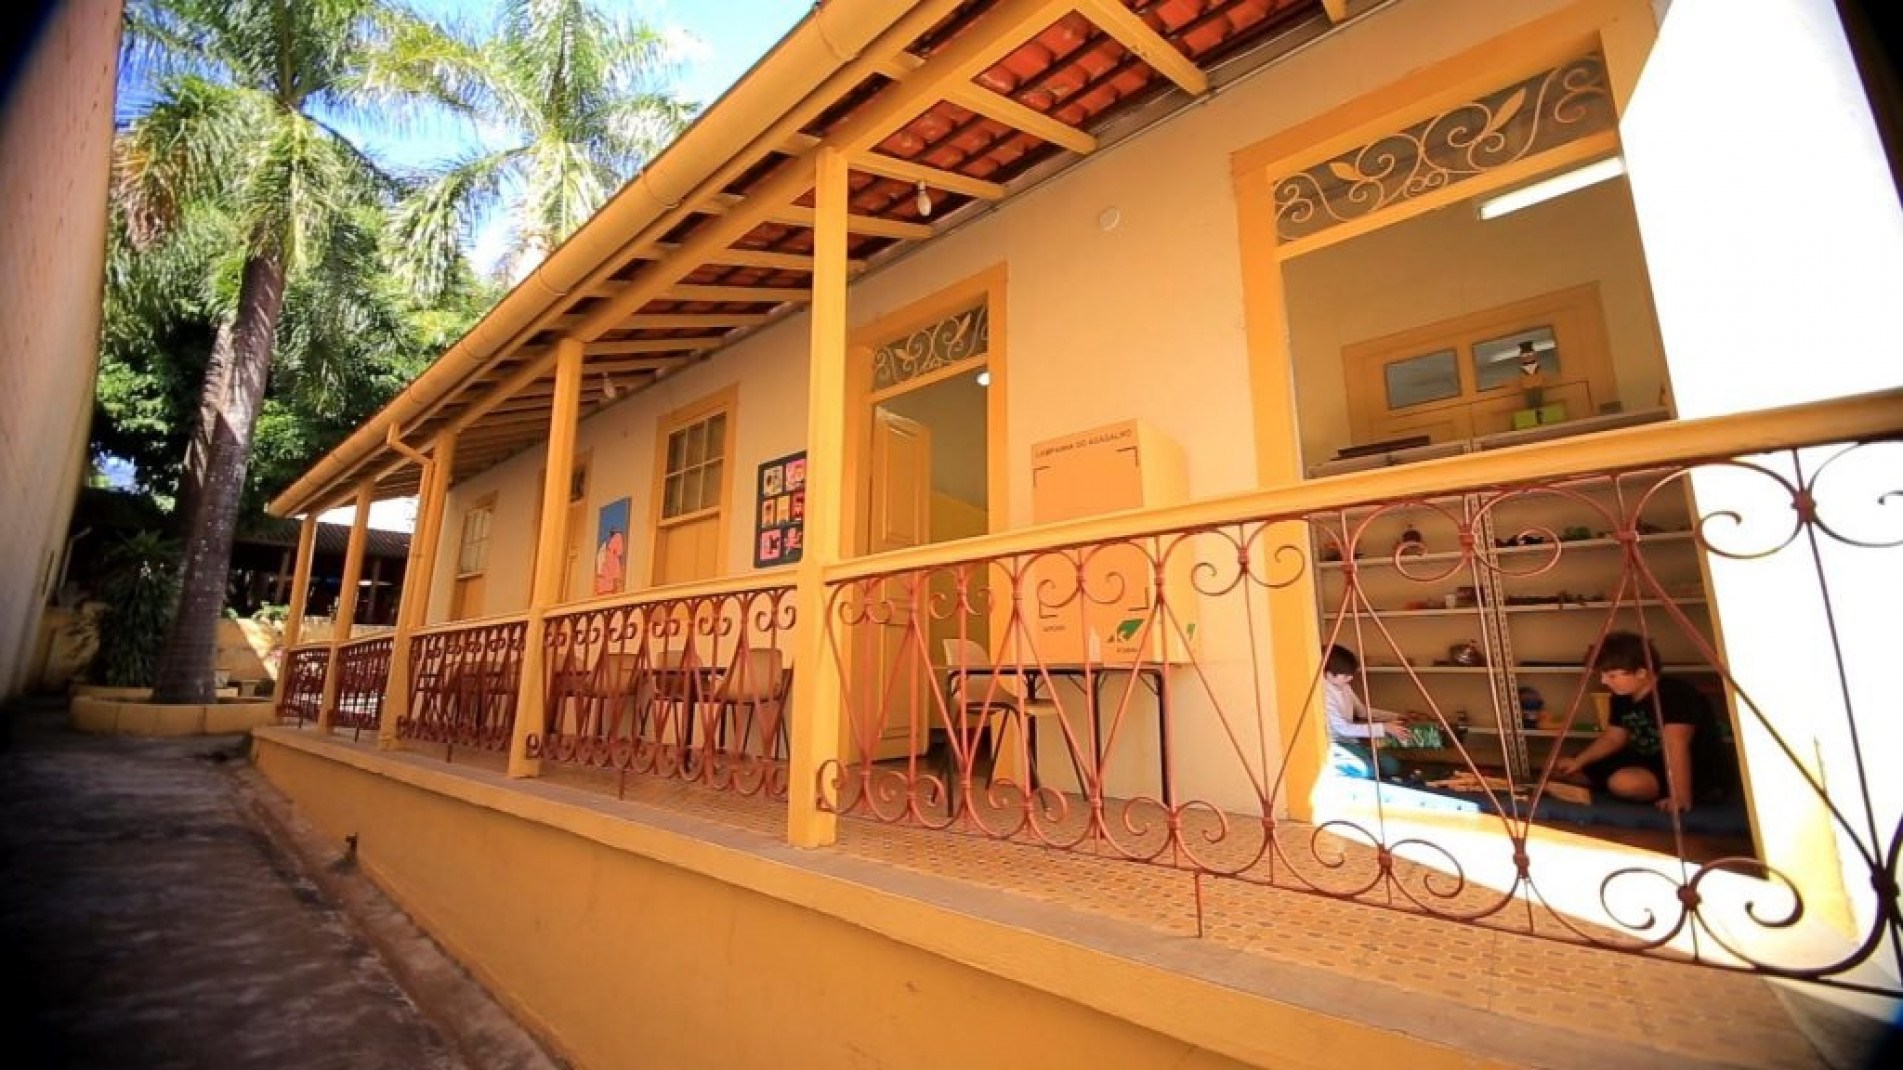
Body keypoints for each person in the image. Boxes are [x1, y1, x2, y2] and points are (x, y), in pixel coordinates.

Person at [1556, 631, 1724, 812]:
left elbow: (1676, 746)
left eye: (1612, 676)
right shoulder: (1622, 696)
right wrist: (1580, 761)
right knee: (1564, 769)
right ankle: (1601, 781)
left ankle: (1623, 786)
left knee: (1623, 783)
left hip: (1689, 769)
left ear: (1642, 672)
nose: (1604, 681)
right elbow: (1614, 738)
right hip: (1644, 760)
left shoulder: (1677, 694)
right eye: (1603, 674)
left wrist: (1680, 796)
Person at [1323, 644, 1411, 780]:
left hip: (1351, 742)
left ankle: (1359, 757)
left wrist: (1396, 716)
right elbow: (1342, 729)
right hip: (1334, 743)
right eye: (1345, 675)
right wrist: (1384, 728)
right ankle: (1330, 766)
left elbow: (1363, 711)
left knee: (1391, 766)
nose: (1350, 678)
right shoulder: (1324, 693)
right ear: (1329, 674)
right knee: (1367, 770)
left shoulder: (1344, 686)